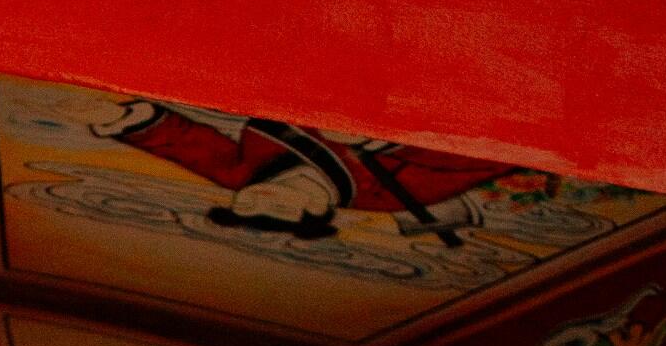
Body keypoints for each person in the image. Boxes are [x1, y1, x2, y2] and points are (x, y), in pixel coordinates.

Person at [88, 100, 515, 244]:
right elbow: (488, 158)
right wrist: (386, 138)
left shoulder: (246, 173)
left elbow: (190, 146)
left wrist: (130, 119)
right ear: (313, 208)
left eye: (245, 204)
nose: (250, 197)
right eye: (268, 206)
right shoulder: (387, 192)